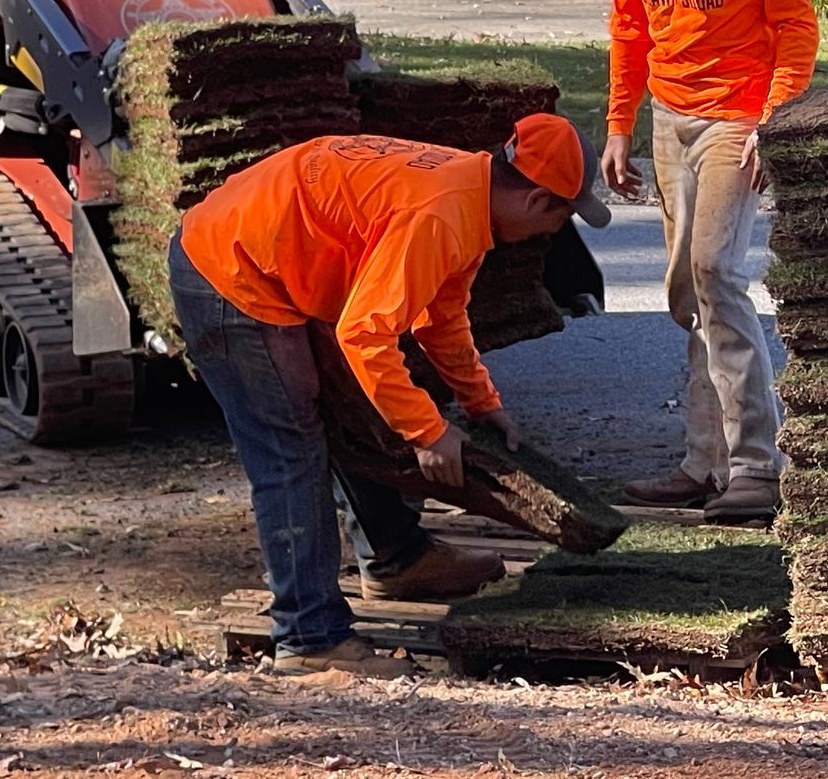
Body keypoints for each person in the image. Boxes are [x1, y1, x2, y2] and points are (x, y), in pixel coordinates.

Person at [168, 117, 610, 676]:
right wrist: (428, 432)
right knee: (292, 450)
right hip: (230, 271)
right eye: (561, 217)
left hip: (265, 254)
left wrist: (481, 403)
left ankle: (397, 559)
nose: (553, 233)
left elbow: (442, 314)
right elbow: (365, 333)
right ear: (538, 199)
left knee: (349, 413)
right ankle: (308, 638)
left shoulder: (469, 192)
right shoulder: (442, 212)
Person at [599, 0, 820, 522]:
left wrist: (772, 120)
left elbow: (796, 25)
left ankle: (758, 465)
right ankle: (705, 461)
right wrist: (620, 123)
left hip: (736, 118)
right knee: (683, 294)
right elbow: (629, 23)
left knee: (713, 276)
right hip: (670, 117)